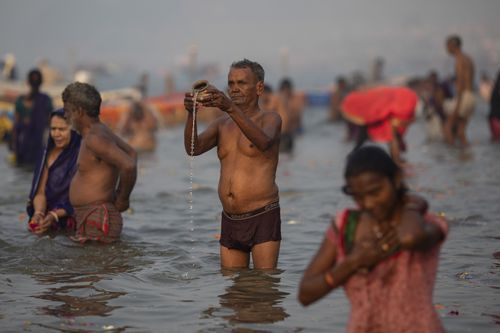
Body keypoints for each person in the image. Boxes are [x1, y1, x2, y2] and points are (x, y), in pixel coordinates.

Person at [298, 146, 447, 333]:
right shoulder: (345, 225)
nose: (368, 203)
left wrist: (411, 203)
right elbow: (305, 294)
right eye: (358, 197)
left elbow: (410, 237)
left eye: (375, 192)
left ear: (397, 179)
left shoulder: (424, 222)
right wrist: (351, 264)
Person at [183, 59, 282, 269]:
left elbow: (263, 142)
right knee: (233, 293)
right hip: (230, 219)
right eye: (231, 83)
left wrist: (229, 107)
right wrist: (192, 113)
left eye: (241, 83)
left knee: (264, 289)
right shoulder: (221, 124)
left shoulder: (270, 119)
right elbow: (193, 148)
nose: (234, 89)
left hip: (262, 214)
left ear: (259, 88)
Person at [62, 82, 138, 243]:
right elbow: (131, 152)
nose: (65, 116)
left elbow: (129, 164)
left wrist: (123, 198)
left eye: (67, 111)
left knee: (98, 267)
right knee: (93, 266)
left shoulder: (94, 139)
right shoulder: (99, 131)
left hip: (97, 216)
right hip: (93, 215)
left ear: (79, 112)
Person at [27, 109, 81, 235]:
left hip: (73, 220)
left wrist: (55, 215)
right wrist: (38, 213)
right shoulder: (47, 153)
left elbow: (83, 197)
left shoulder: (83, 153)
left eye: (62, 129)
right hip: (48, 219)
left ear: (74, 130)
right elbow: (40, 192)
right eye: (53, 128)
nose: (56, 134)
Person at [12, 69, 53, 167]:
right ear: (41, 82)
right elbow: (51, 121)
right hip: (34, 143)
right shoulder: (45, 99)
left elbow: (15, 124)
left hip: (25, 143)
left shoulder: (21, 100)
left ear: (27, 82)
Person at [443, 35, 476, 147]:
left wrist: (457, 105)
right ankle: (465, 157)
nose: (446, 50)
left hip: (464, 97)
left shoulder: (459, 60)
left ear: (452, 46)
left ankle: (452, 157)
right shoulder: (468, 58)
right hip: (471, 96)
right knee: (461, 131)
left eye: (447, 46)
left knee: (448, 126)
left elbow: (461, 83)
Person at [489, 70, 500, 141]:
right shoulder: (498, 89)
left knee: (495, 141)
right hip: (496, 119)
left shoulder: (496, 88)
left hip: (493, 118)